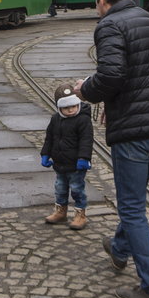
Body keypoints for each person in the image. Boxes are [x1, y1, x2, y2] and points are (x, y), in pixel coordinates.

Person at [73, 0, 149, 298]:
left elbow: (113, 75)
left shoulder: (109, 26)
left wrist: (85, 89)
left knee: (132, 208)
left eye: (96, 2)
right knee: (135, 197)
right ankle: (119, 249)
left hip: (134, 131)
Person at [41, 84, 94, 230]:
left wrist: (84, 158)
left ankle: (80, 214)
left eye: (73, 106)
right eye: (66, 107)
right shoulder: (55, 119)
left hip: (76, 164)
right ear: (59, 108)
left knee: (77, 189)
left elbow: (86, 141)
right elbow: (49, 138)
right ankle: (61, 211)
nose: (71, 110)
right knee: (60, 188)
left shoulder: (83, 120)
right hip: (60, 162)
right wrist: (45, 154)